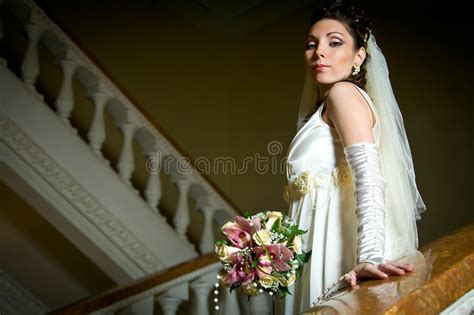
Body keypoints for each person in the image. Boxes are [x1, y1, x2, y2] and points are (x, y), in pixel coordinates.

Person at [281, 1, 426, 313]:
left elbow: (369, 177)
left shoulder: (342, 94)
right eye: (311, 44)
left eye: (335, 42)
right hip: (314, 247)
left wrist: (370, 256)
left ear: (360, 55)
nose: (320, 52)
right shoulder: (326, 106)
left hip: (336, 253)